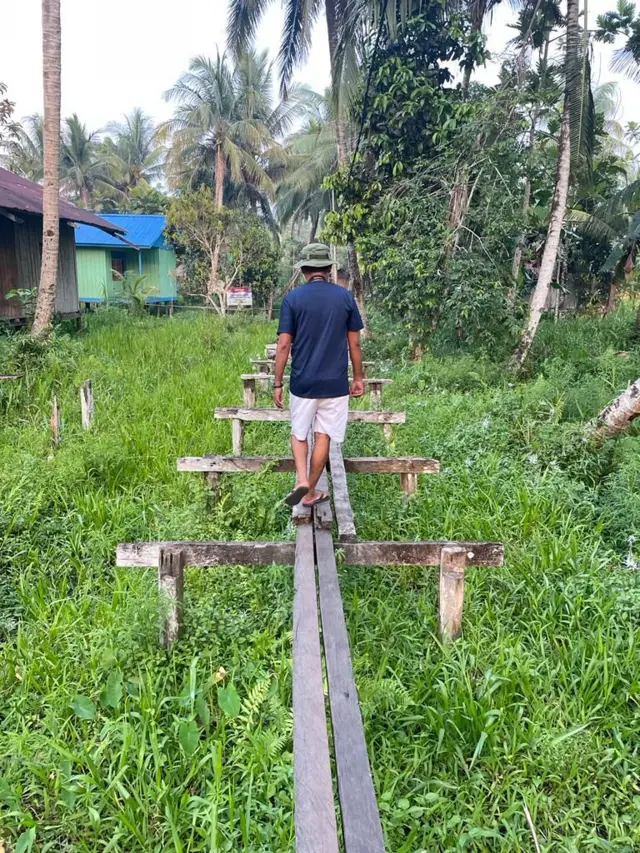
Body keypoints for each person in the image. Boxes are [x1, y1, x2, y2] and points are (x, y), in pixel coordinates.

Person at [274, 242, 365, 507]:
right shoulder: (345, 298)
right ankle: (311, 490)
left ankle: (302, 479)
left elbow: (283, 345)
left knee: (300, 434)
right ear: (328, 269)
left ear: (304, 270)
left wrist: (278, 383)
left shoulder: (293, 299)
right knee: (323, 435)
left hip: (302, 382)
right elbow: (355, 344)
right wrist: (358, 377)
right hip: (335, 384)